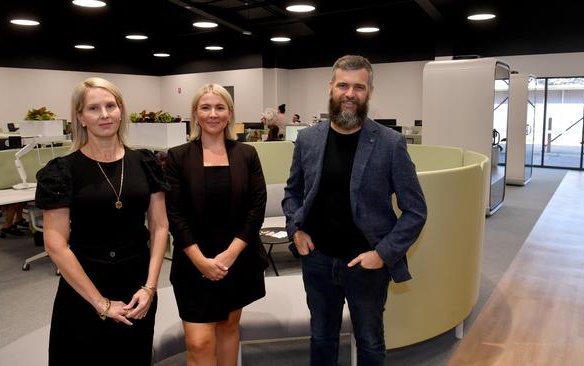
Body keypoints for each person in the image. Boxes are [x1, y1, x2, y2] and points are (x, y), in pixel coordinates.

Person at [282, 55, 427, 365]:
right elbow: (292, 192)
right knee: (321, 337)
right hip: (317, 262)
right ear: (331, 88)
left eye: (358, 87)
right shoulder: (308, 139)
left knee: (370, 342)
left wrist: (383, 254)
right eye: (343, 85)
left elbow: (416, 211)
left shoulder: (391, 144)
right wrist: (296, 231)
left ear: (369, 92)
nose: (350, 94)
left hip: (366, 266)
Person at [35, 77, 169, 365]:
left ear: (121, 110)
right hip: (84, 285)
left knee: (133, 356)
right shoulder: (62, 171)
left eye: (111, 105)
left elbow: (159, 227)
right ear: (80, 117)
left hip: (137, 284)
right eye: (94, 108)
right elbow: (55, 244)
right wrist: (100, 303)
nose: (105, 115)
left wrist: (150, 287)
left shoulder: (145, 163)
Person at [165, 83, 269, 366]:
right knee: (199, 342)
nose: (213, 114)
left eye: (220, 107)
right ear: (195, 114)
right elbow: (174, 214)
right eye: (206, 107)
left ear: (229, 113)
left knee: (227, 328)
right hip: (193, 261)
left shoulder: (246, 154)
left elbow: (256, 209)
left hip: (237, 259)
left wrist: (230, 255)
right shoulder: (177, 156)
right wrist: (201, 261)